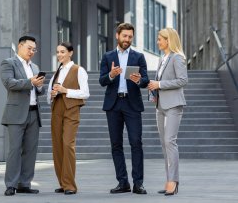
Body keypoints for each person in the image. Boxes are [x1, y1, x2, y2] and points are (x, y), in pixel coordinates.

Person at [99, 22, 149, 195]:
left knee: (136, 142)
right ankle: (122, 182)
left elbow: (146, 81)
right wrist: (111, 75)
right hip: (113, 104)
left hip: (132, 104)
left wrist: (139, 80)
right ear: (117, 36)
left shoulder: (139, 57)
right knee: (116, 145)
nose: (127, 39)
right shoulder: (107, 56)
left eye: (130, 37)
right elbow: (102, 80)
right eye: (124, 36)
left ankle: (138, 183)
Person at [0, 36, 45, 196]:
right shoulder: (9, 63)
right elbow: (9, 83)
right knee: (14, 150)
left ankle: (24, 184)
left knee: (30, 151)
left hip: (34, 113)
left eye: (34, 49)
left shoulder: (35, 66)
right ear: (20, 46)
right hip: (16, 114)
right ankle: (11, 185)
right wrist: (30, 82)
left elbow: (38, 90)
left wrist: (39, 86)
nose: (32, 52)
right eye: (29, 48)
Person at [147, 28, 187, 196]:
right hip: (161, 105)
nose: (158, 42)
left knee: (170, 142)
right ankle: (168, 179)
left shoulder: (177, 58)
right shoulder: (162, 59)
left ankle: (173, 181)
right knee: (164, 144)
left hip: (174, 105)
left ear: (169, 40)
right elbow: (158, 80)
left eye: (160, 39)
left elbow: (183, 80)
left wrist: (160, 85)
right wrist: (153, 92)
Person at [47, 42, 90, 195]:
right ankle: (63, 183)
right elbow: (48, 95)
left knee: (67, 144)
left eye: (62, 52)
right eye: (57, 52)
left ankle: (70, 185)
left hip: (71, 110)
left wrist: (65, 90)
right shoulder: (56, 73)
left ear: (70, 53)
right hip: (56, 110)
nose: (59, 55)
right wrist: (52, 94)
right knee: (57, 146)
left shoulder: (79, 70)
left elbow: (85, 93)